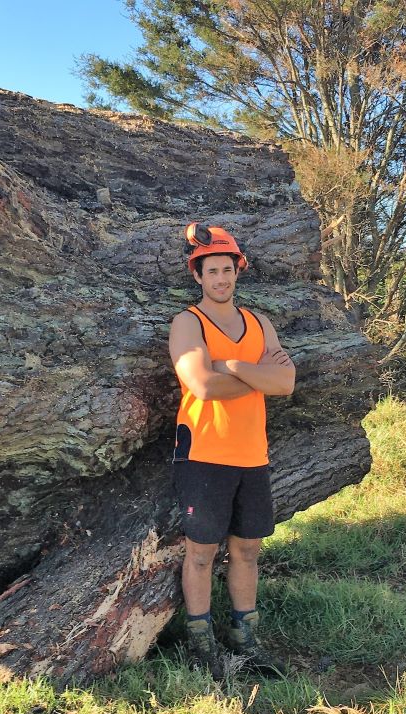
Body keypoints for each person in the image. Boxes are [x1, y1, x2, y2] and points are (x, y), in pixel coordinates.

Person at [168, 222, 295, 680]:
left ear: (237, 272)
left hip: (252, 457)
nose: (221, 279)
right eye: (211, 272)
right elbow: (201, 385)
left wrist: (235, 365)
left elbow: (285, 383)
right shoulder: (188, 323)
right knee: (200, 554)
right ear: (198, 277)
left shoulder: (261, 324)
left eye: (227, 269)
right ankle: (200, 640)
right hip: (203, 455)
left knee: (247, 551)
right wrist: (256, 374)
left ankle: (245, 637)